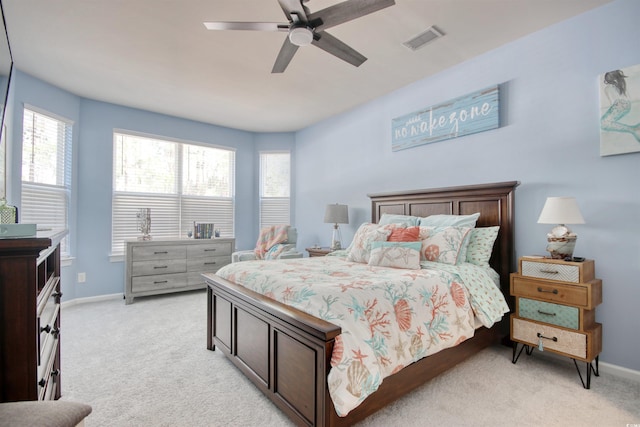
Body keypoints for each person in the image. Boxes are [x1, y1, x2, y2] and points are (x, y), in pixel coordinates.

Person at [601, 69, 640, 142]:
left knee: (603, 123)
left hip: (619, 104)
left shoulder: (608, 88)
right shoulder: (621, 84)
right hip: (627, 105)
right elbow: (627, 98)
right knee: (605, 123)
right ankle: (633, 129)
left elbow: (612, 102)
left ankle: (633, 129)